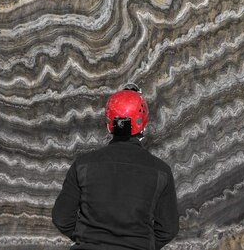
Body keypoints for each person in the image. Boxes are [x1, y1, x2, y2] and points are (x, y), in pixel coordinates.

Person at [52, 83, 179, 249]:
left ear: (108, 123)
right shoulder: (161, 171)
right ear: (143, 123)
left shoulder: (83, 165)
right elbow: (168, 229)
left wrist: (87, 239)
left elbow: (61, 218)